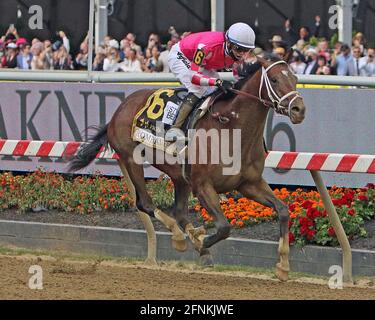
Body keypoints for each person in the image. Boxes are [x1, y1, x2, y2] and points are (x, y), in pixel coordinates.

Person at [165, 22, 256, 141]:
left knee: (217, 90)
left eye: (247, 50)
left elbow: (237, 76)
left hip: (204, 63)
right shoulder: (206, 47)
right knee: (198, 88)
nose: (242, 54)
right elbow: (194, 78)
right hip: (181, 55)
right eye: (239, 49)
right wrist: (217, 82)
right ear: (228, 43)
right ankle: (174, 129)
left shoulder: (236, 52)